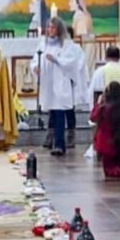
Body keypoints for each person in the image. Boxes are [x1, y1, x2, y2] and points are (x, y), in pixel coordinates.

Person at [31, 18, 75, 156]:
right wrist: (35, 67)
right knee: (54, 113)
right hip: (48, 82)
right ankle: (54, 142)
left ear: (59, 29)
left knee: (60, 112)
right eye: (48, 27)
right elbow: (35, 59)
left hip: (60, 82)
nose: (49, 30)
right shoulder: (43, 43)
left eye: (52, 27)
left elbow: (71, 62)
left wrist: (56, 60)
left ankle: (60, 145)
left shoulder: (66, 44)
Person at [90, 81, 120, 178]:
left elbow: (93, 117)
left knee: (108, 170)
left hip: (106, 142)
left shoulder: (103, 108)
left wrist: (98, 103)